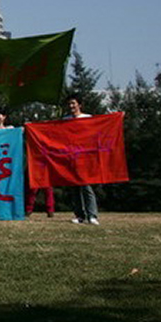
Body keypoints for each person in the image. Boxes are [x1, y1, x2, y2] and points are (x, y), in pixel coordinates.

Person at [64, 94, 100, 226]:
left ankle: (92, 215)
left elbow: (98, 132)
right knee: (74, 189)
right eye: (69, 104)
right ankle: (79, 215)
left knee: (86, 187)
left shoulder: (88, 118)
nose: (71, 106)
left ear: (80, 105)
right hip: (71, 158)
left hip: (85, 158)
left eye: (73, 103)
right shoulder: (65, 120)